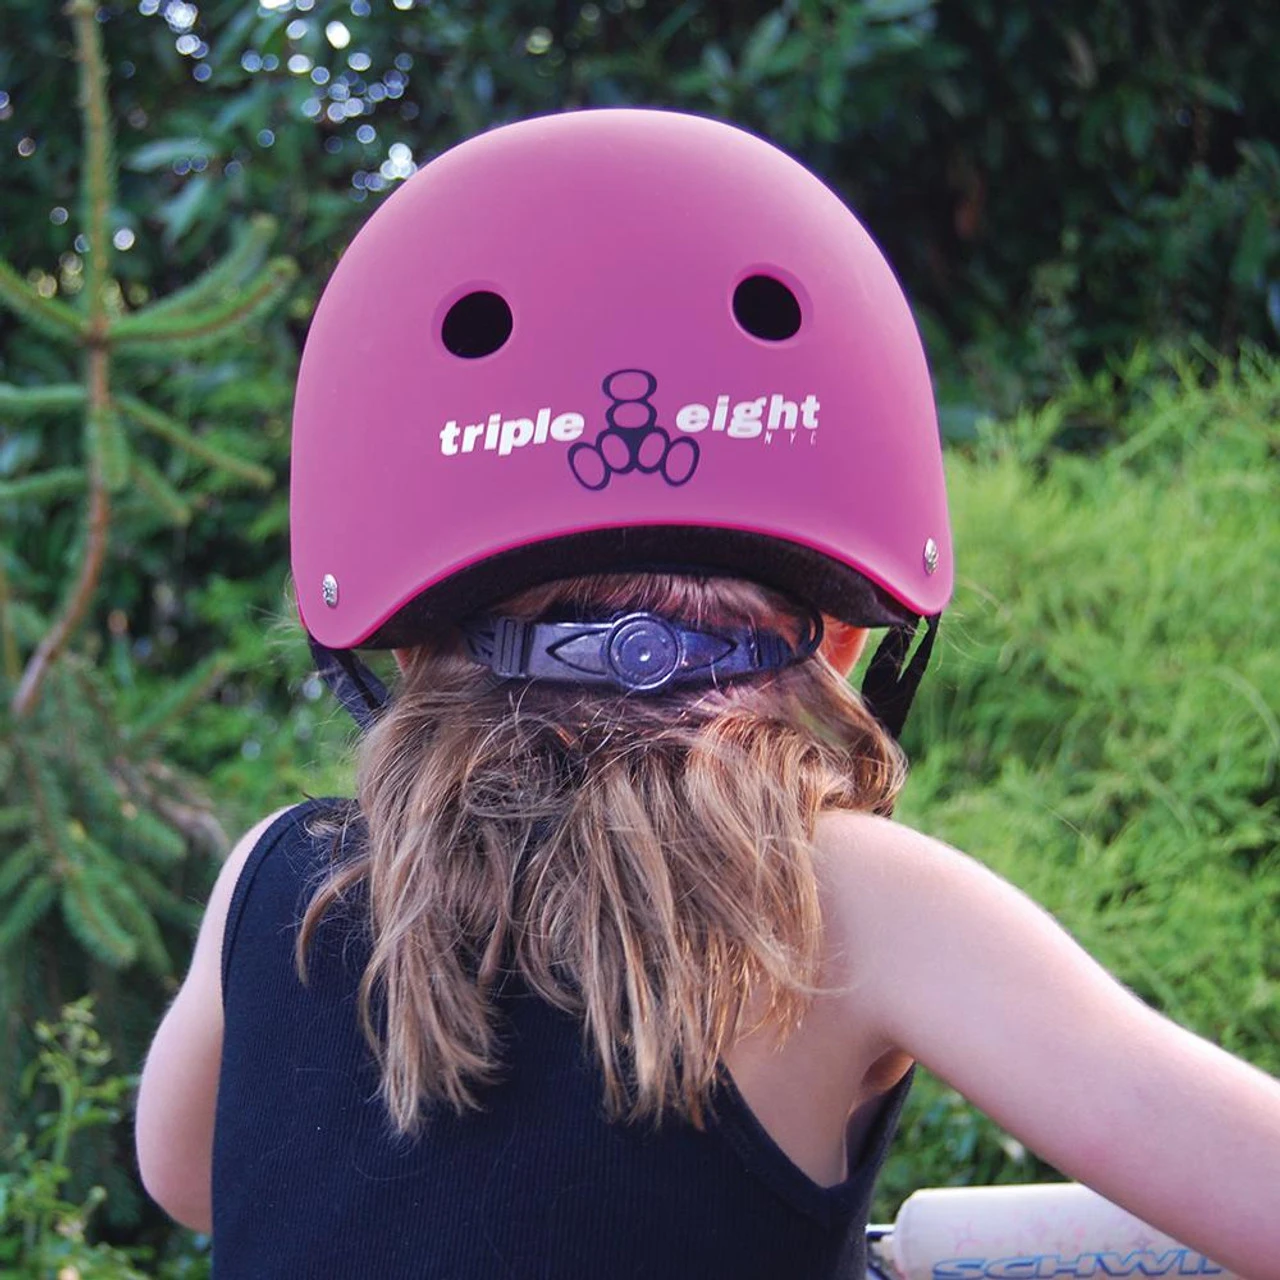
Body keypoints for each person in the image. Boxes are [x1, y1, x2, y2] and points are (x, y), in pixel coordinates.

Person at [135, 110, 1280, 1279]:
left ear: (403, 640)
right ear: (844, 639)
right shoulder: (845, 903)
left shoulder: (276, 880)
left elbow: (182, 1173)